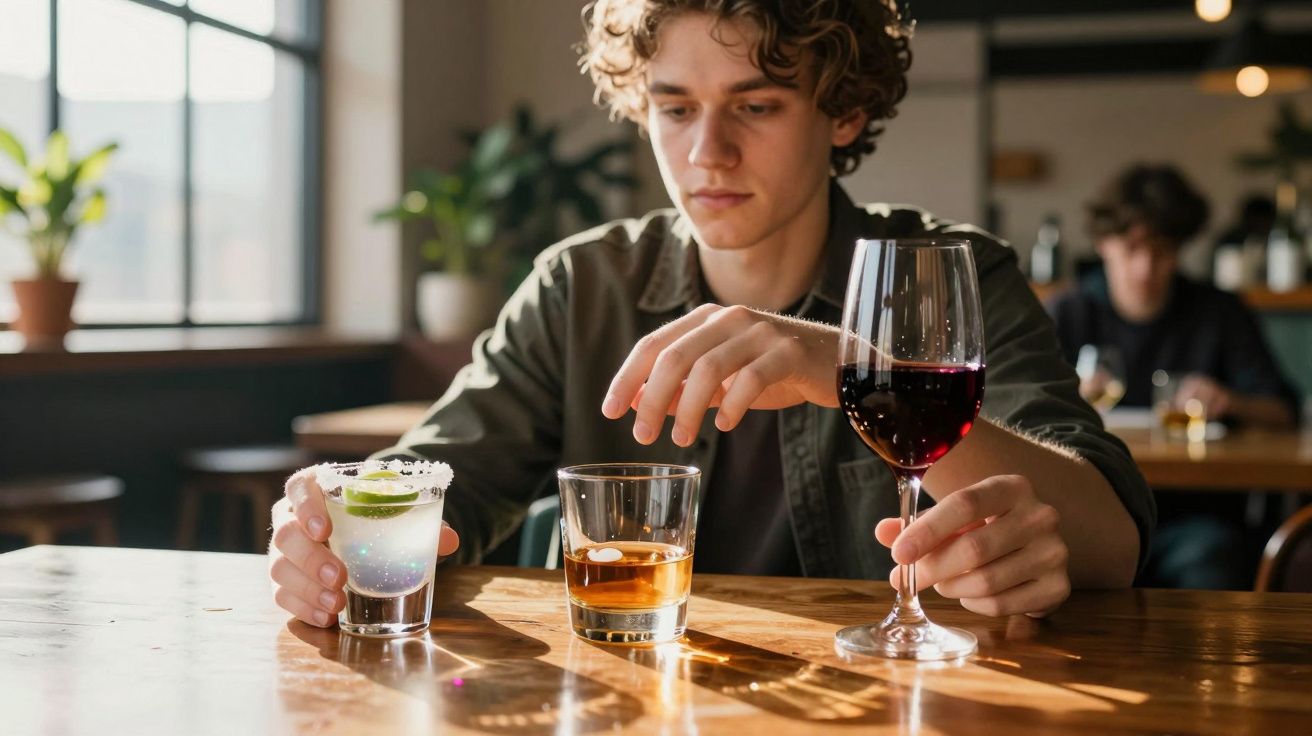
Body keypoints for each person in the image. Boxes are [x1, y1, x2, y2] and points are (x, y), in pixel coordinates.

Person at [270, 0, 1153, 629]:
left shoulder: (950, 274)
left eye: (756, 105)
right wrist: (330, 527)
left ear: (843, 112)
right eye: (674, 107)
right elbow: (445, 474)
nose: (707, 153)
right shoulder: (583, 285)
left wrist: (843, 366)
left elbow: (1111, 539)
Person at [1046, 164, 1299, 589]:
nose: (1146, 268)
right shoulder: (1067, 311)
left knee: (1213, 560)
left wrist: (1229, 401)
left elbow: (1283, 410)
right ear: (1103, 243)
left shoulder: (1219, 312)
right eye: (1132, 249)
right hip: (1089, 511)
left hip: (1195, 520)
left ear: (1181, 249)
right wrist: (1068, 399)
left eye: (1161, 251)